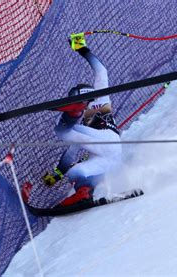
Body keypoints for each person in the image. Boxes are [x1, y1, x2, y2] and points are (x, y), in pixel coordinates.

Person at [43, 33, 121, 206]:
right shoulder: (85, 127)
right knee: (76, 172)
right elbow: (71, 152)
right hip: (110, 161)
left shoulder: (99, 100)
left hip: (108, 140)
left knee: (63, 130)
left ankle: (72, 112)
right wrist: (58, 174)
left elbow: (101, 71)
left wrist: (81, 47)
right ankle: (84, 193)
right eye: (75, 105)